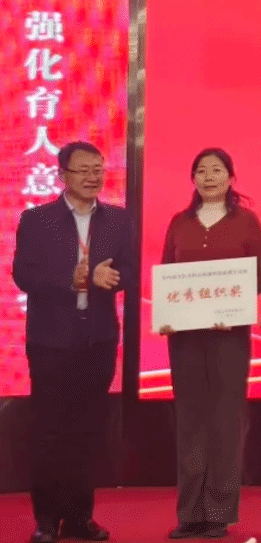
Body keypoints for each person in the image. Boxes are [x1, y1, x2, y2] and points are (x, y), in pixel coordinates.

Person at [13, 141, 133, 543]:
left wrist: (106, 278)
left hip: (98, 340)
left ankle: (80, 518)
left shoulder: (118, 220)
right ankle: (47, 520)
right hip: (50, 341)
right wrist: (72, 278)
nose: (93, 177)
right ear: (62, 174)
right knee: (50, 431)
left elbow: (130, 270)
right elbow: (24, 275)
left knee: (87, 431)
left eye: (98, 169)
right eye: (83, 170)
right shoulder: (37, 219)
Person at [158, 148, 261, 540]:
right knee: (190, 422)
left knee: (225, 421)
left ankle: (219, 512)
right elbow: (167, 275)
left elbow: (260, 275)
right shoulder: (180, 222)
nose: (209, 177)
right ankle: (190, 513)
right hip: (186, 338)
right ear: (193, 179)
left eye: (216, 170)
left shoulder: (246, 222)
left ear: (231, 178)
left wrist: (232, 307)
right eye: (201, 171)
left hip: (229, 336)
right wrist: (167, 313)